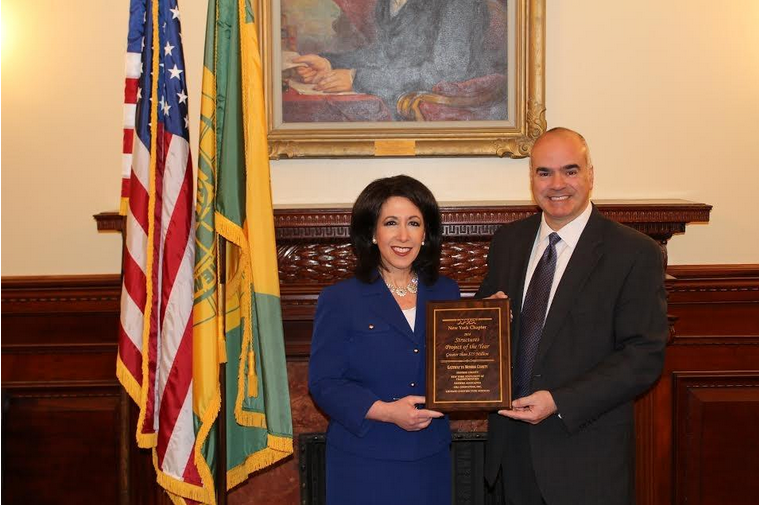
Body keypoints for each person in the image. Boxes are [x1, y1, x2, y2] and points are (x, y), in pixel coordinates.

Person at [476, 128, 668, 505]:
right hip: (511, 454)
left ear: (591, 175)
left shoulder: (633, 252)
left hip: (585, 454)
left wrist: (559, 400)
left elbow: (643, 356)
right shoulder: (508, 242)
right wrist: (487, 318)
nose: (557, 184)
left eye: (570, 170)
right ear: (531, 178)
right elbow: (486, 336)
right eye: (544, 172)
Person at [308, 175, 460, 505]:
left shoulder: (448, 293)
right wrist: (387, 412)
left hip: (430, 458)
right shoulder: (339, 299)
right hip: (364, 460)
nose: (403, 235)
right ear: (372, 233)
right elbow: (324, 383)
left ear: (427, 233)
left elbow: (460, 366)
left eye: (414, 223)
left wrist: (493, 323)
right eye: (390, 222)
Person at [293, 0, 491, 119]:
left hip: (450, 111)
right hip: (404, 103)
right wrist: (329, 63)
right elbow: (384, 53)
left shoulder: (461, 4)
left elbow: (446, 72)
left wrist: (357, 79)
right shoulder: (388, 3)